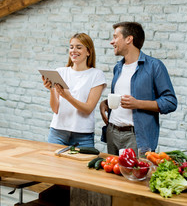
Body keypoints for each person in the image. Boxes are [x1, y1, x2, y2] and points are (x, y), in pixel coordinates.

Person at [100, 22, 177, 155]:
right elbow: (122, 96)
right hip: (112, 132)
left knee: (135, 175)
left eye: (115, 37)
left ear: (129, 39)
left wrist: (138, 104)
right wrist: (105, 103)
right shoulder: (118, 67)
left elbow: (170, 102)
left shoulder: (154, 66)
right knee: (111, 175)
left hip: (136, 137)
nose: (112, 42)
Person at [42, 33, 106, 147]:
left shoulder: (96, 75)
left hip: (83, 136)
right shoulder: (60, 72)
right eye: (71, 47)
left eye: (79, 47)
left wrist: (68, 97)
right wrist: (52, 89)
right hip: (57, 132)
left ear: (88, 52)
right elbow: (55, 109)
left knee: (81, 165)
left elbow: (88, 109)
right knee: (53, 165)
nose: (73, 50)